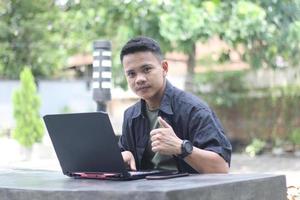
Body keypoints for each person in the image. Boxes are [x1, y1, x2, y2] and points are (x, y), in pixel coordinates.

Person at [118, 36, 232, 173]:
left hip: (188, 193)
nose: (139, 79)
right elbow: (122, 156)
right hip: (144, 193)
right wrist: (123, 157)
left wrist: (181, 148)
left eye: (147, 69)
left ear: (164, 68)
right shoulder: (130, 116)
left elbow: (221, 168)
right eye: (131, 74)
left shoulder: (193, 109)